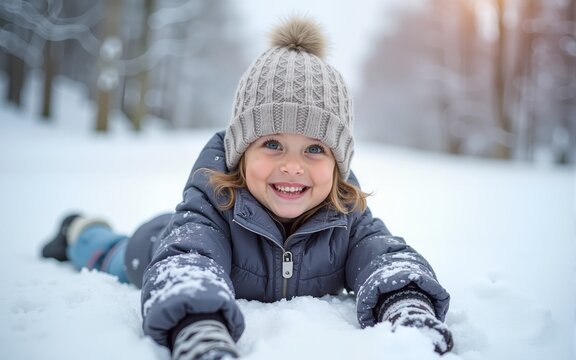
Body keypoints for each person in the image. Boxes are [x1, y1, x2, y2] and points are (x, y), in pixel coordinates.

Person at [41, 16, 454, 360]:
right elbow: (188, 262)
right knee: (111, 252)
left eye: (314, 149)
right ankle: (81, 231)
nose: (292, 166)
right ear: (240, 152)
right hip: (160, 243)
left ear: (337, 164)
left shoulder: (345, 216)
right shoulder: (211, 205)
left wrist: (406, 303)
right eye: (272, 144)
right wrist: (199, 325)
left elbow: (385, 257)